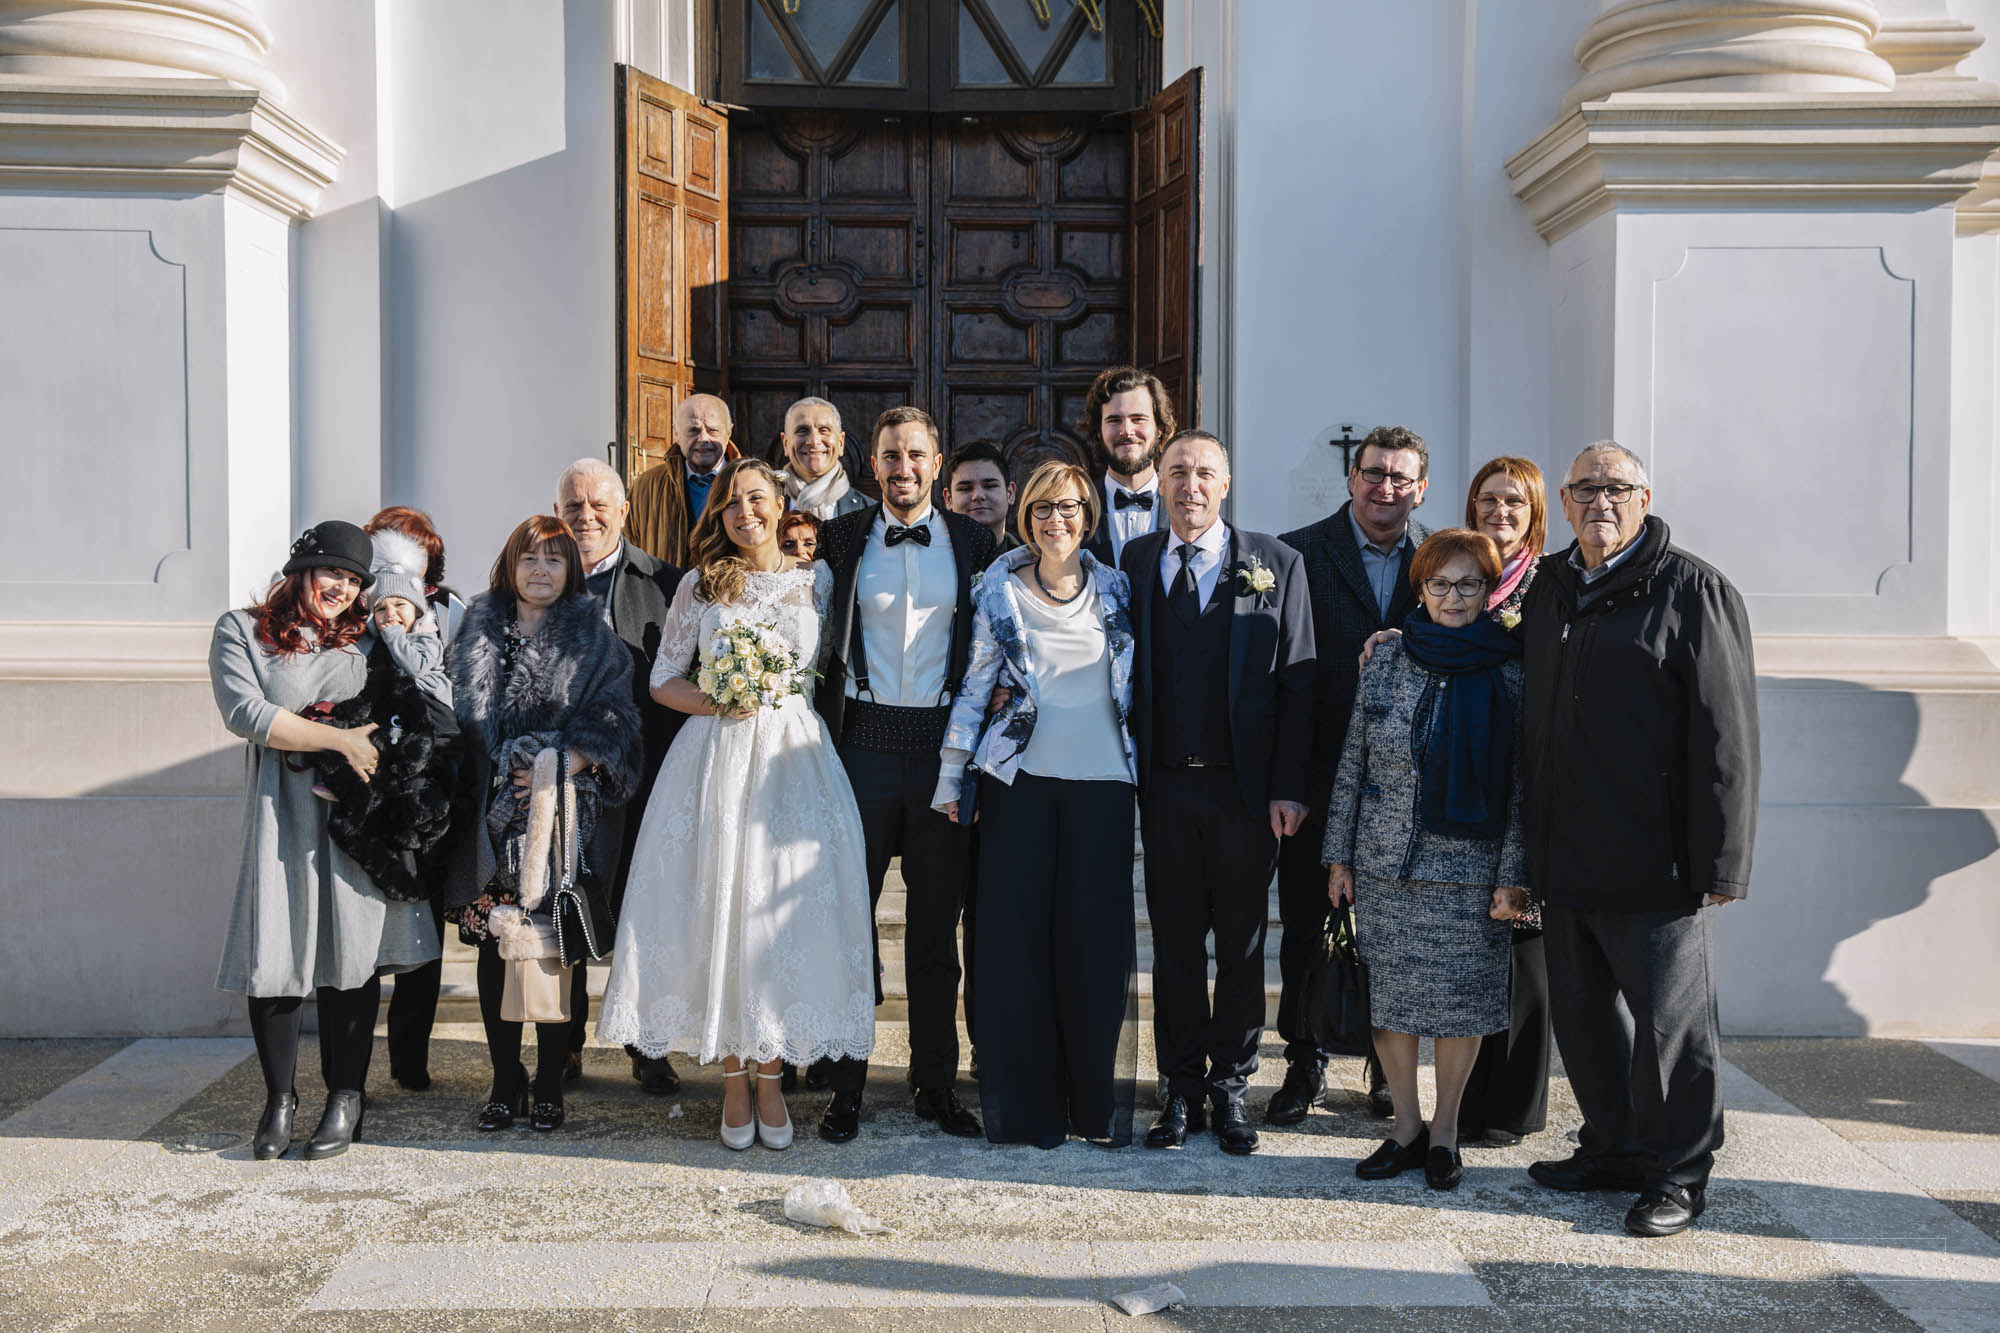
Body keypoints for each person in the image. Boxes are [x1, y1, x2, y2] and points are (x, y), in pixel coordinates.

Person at [598, 459, 876, 1151]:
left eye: (756, 498)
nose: (744, 511)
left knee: (777, 918)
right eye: (730, 502)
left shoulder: (818, 580)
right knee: (720, 908)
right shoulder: (701, 584)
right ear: (718, 515)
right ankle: (732, 1078)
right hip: (716, 758)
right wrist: (723, 698)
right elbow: (664, 679)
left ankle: (773, 1077)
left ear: (780, 502)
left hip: (794, 764)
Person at [1520, 442, 1759, 1238]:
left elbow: (1727, 738)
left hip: (1656, 861)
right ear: (1563, 500)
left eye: (1617, 487)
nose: (1601, 500)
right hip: (1564, 852)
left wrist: (1723, 859)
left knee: (1669, 1032)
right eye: (1586, 488)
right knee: (1585, 1021)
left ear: (1644, 497)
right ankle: (1613, 1146)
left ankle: (1678, 1173)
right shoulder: (1549, 586)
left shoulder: (1692, 589)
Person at [209, 519, 443, 1160]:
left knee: (352, 955)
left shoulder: (368, 640)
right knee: (276, 955)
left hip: (356, 819)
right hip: (281, 813)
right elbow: (248, 714)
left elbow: (409, 714)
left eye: (353, 579)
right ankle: (279, 1100)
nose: (341, 587)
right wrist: (339, 740)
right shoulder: (242, 631)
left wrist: (378, 763)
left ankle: (346, 1098)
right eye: (331, 572)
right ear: (301, 571)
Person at [934, 460, 1137, 1147]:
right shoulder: (997, 589)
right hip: (1018, 785)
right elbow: (975, 686)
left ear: (1088, 514)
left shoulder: (1118, 586)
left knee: (1093, 947)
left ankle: (1093, 1106)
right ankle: (1030, 1109)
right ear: (1027, 517)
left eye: (1069, 507)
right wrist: (953, 775)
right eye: (1044, 508)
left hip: (1105, 784)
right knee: (1018, 945)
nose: (1057, 520)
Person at [1123, 431, 1315, 1156]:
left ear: (1226, 484)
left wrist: (1289, 788)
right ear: (1160, 481)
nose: (1190, 485)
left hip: (1245, 793)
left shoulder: (1276, 562)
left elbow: (1299, 682)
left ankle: (1231, 1085)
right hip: (1166, 788)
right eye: (1177, 471)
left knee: (1241, 944)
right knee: (1174, 944)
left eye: (1205, 472)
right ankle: (1179, 1085)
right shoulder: (1134, 560)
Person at [1325, 529, 1529, 1192]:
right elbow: (1353, 759)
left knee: (1460, 1007)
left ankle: (1445, 1132)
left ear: (1488, 590)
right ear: (1421, 589)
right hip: (1386, 865)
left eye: (1468, 584)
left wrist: (1513, 876)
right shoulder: (1387, 658)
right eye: (1440, 583)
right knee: (1391, 1002)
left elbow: (1521, 785)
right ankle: (1406, 1128)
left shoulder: (1511, 669)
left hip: (1469, 873)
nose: (1453, 596)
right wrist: (1339, 856)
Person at [814, 406, 998, 1143]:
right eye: (891, 455)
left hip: (942, 751)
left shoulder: (977, 542)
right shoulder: (841, 537)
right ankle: (844, 1085)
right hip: (859, 747)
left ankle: (936, 1083)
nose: (903, 468)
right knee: (848, 924)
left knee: (933, 931)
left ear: (936, 463)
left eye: (916, 455)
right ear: (874, 464)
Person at [444, 516, 641, 1134]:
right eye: (529, 558)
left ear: (571, 570)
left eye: (554, 560)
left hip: (560, 822)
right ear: (510, 565)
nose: (539, 570)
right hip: (487, 815)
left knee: (559, 941)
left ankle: (552, 1078)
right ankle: (506, 1079)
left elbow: (619, 719)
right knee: (493, 945)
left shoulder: (596, 639)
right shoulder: (475, 629)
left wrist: (568, 761)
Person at [1274, 425, 1433, 1124]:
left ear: (1420, 488)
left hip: (1408, 787)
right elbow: (1284, 679)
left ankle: (1385, 1065)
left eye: (1400, 477)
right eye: (1374, 473)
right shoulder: (1298, 553)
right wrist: (1286, 782)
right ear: (1352, 478)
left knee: (1395, 931)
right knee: (1306, 926)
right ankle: (1302, 1060)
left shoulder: (1444, 558)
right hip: (1318, 777)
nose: (1385, 487)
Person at [554, 458, 688, 1093]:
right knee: (564, 904)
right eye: (573, 506)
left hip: (644, 777)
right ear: (557, 513)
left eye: (599, 505)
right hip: (561, 781)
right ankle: (563, 1044)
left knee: (643, 912)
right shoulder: (536, 577)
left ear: (624, 511)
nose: (586, 517)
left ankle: (647, 1043)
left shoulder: (665, 582)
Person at [1458, 457, 1553, 1146]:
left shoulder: (1551, 585)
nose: (1499, 512)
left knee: (1525, 953)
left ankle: (1514, 1108)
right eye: (1488, 499)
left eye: (1514, 501)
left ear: (1535, 512)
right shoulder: (1465, 575)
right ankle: (1468, 1097)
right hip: (1471, 786)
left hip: (1535, 776)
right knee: (1475, 956)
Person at [363, 506, 468, 1093]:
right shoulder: (356, 613)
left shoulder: (448, 613)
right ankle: (351, 1061)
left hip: (430, 783)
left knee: (423, 925)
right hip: (365, 784)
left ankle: (410, 1058)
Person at [628, 394, 740, 565]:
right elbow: (627, 549)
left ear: (728, 432)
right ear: (676, 434)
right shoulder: (646, 486)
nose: (703, 438)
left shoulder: (752, 484)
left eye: (712, 430)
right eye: (693, 430)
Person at [1080, 366, 1173, 567]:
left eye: (1138, 419)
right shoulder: (1078, 506)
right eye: (1114, 420)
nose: (1127, 431)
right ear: (1098, 431)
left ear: (1159, 428)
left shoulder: (1182, 504)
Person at [778, 396, 869, 521]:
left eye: (824, 430)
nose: (814, 441)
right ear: (785, 444)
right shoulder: (763, 508)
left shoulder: (871, 513)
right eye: (802, 430)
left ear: (841, 443)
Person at [943, 441, 1017, 551]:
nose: (978, 495)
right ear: (948, 499)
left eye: (990, 486)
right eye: (965, 488)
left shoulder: (1034, 559)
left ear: (1010, 493)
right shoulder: (926, 558)